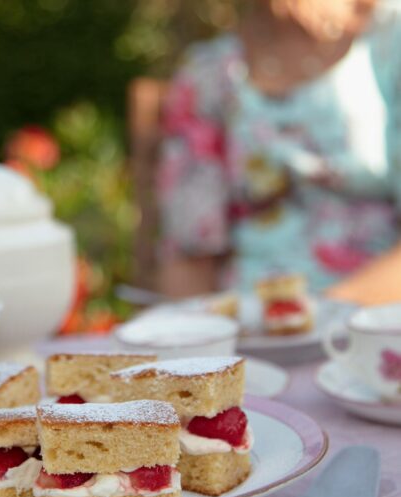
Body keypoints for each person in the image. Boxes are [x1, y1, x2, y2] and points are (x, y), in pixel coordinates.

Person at [157, 0, 401, 297]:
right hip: (249, 324)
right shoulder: (209, 72)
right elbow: (189, 257)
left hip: (377, 319)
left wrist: (319, 319)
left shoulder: (391, 38)